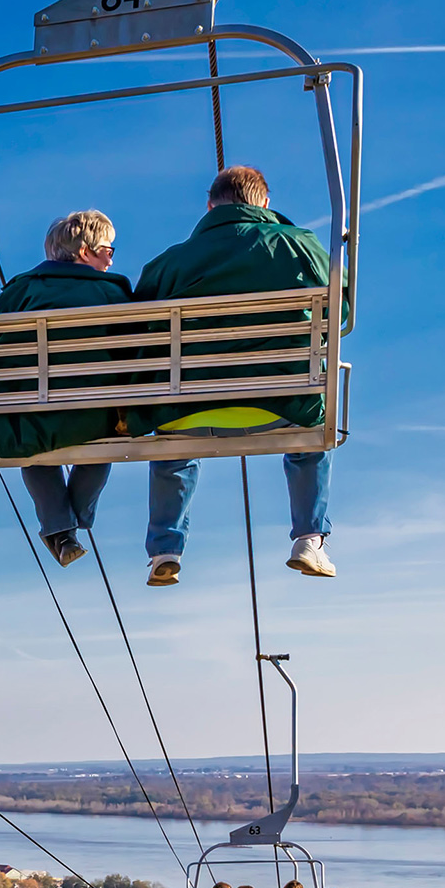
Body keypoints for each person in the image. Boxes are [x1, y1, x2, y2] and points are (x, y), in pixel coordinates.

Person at [129, 167, 338, 586]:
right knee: (311, 437)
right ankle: (309, 538)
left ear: (210, 206)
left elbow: (139, 333)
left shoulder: (168, 263)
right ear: (264, 203)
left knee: (173, 447)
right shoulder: (303, 247)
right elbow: (340, 315)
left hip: (187, 408)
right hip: (282, 404)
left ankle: (165, 550)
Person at [0, 210, 135, 567]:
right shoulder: (113, 293)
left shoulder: (17, 293)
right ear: (86, 252)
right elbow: (135, 353)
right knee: (107, 438)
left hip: (27, 417)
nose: (111, 258)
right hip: (95, 417)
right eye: (108, 249)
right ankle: (72, 521)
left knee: (31, 442)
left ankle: (60, 528)